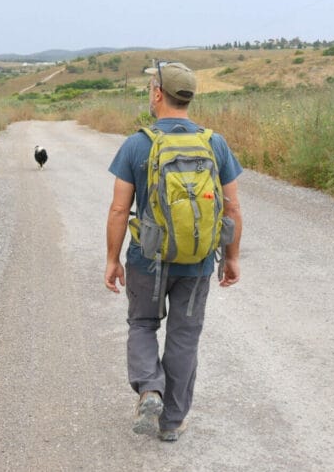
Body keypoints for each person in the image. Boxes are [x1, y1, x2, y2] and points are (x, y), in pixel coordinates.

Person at [104, 61, 243, 442]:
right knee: (184, 336)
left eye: (151, 88)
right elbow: (231, 208)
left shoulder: (138, 144)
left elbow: (119, 209)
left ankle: (150, 388)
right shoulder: (214, 143)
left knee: (143, 324)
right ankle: (172, 423)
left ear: (158, 94)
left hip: (147, 260)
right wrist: (231, 257)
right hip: (197, 263)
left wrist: (112, 259)